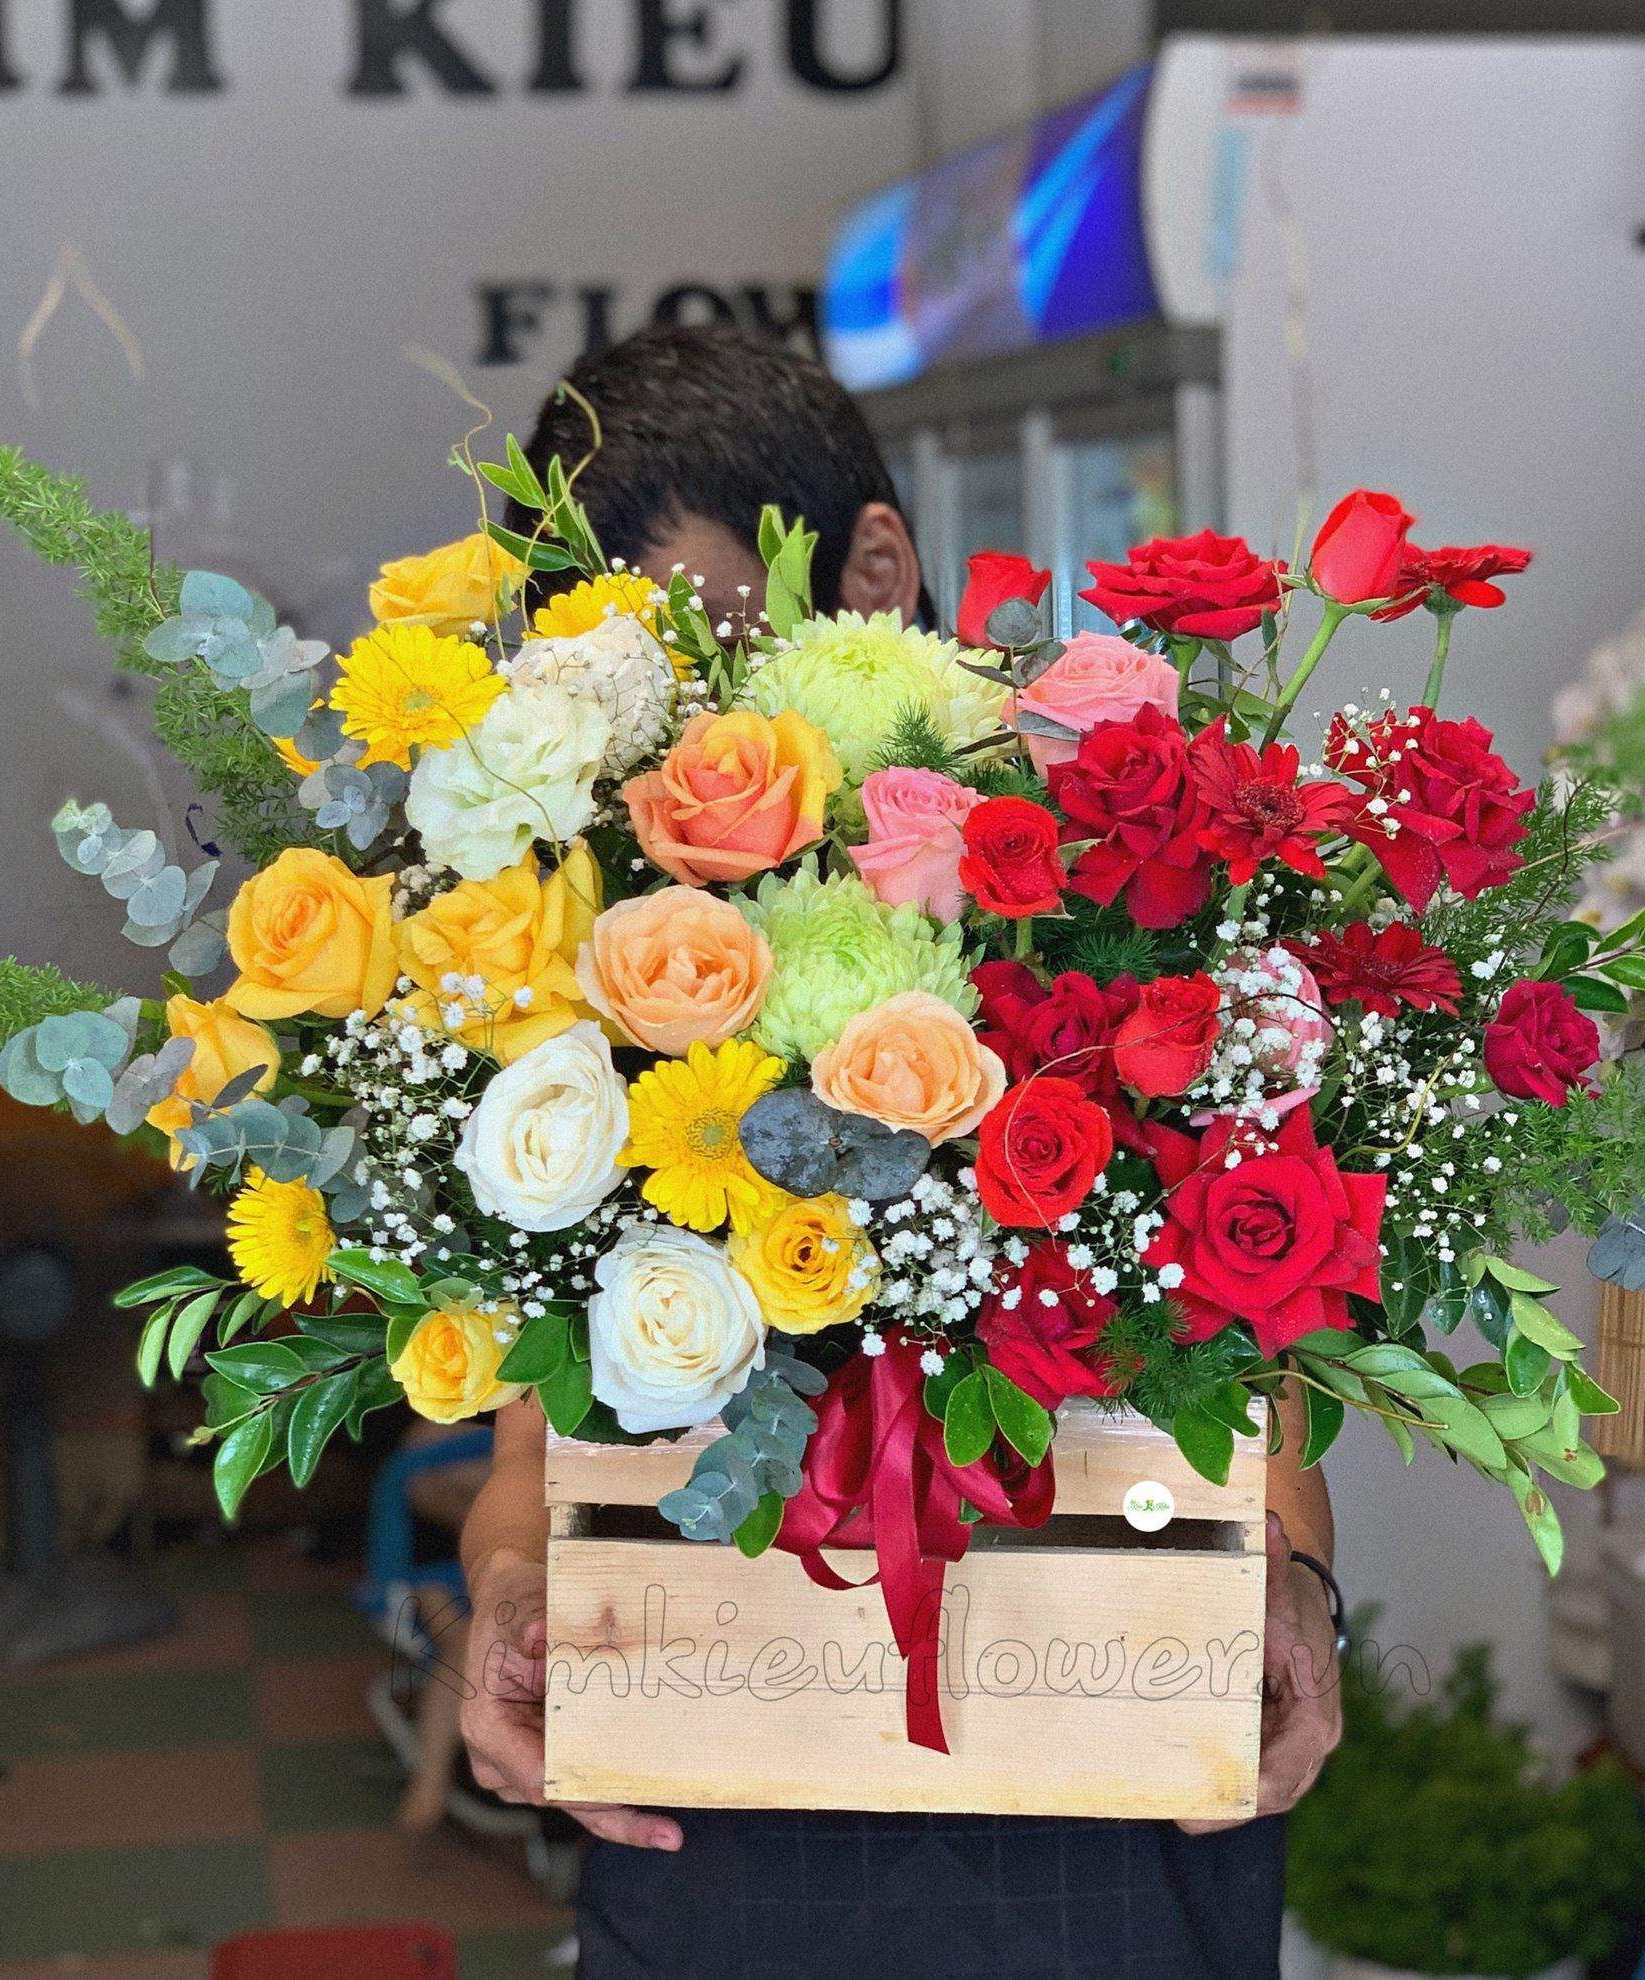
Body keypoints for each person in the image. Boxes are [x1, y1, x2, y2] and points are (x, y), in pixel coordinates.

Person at [459, 323, 1341, 1980]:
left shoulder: (1115, 865)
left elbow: (1258, 1372)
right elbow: (530, 1444)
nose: (658, 715)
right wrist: (507, 1595)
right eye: (600, 666)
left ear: (873, 567)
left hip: (1103, 1806)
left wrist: (1294, 1587)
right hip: (721, 1797)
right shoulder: (591, 934)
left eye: (690, 638)